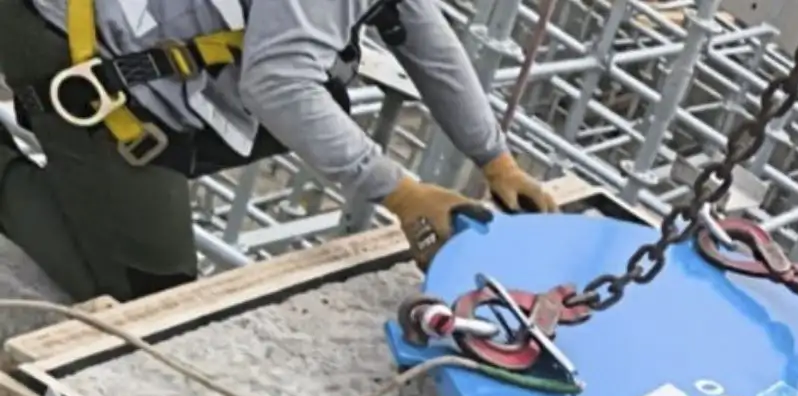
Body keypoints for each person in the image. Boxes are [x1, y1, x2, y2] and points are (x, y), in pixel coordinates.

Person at [0, 0, 558, 303]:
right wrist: (402, 194)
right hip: (77, 50)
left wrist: (495, 159)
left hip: (122, 41)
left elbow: (420, 32)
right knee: (146, 301)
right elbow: (278, 86)